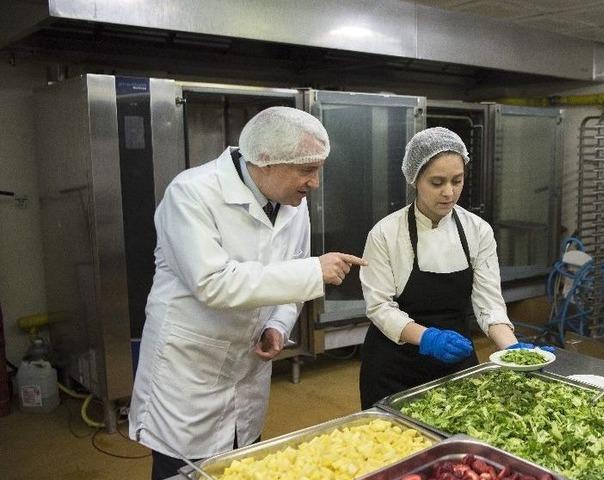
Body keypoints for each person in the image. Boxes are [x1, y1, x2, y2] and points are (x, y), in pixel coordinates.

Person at [128, 107, 367, 480]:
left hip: (247, 366)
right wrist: (312, 271)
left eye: (318, 169)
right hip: (192, 370)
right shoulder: (192, 194)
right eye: (307, 169)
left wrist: (277, 323)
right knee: (185, 472)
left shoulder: (292, 205)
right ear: (266, 161)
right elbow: (213, 283)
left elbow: (290, 282)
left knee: (243, 465)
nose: (315, 183)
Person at [358, 127, 541, 409]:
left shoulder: (477, 231)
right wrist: (427, 338)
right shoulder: (385, 234)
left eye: (457, 181)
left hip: (456, 358)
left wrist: (511, 349)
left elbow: (489, 303)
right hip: (394, 364)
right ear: (414, 180)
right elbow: (379, 307)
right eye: (437, 182)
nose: (449, 192)